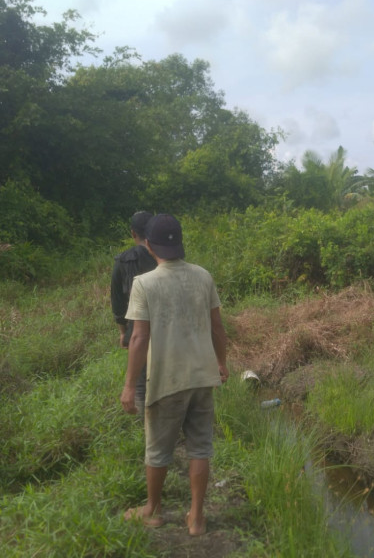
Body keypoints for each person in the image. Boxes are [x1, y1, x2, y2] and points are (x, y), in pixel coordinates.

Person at [120, 213, 229, 534]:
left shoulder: (145, 283)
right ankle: (196, 517)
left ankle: (152, 510)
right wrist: (221, 363)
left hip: (167, 380)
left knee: (157, 449)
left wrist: (129, 386)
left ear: (149, 245)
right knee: (200, 447)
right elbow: (217, 328)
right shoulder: (203, 277)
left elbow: (138, 338)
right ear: (179, 243)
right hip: (202, 377)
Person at [111, 211, 158, 416]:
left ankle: (147, 430)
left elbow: (118, 302)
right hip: (165, 329)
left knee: (140, 384)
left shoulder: (123, 261)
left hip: (136, 331)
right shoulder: (164, 255)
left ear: (133, 233)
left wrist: (123, 332)